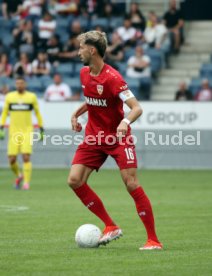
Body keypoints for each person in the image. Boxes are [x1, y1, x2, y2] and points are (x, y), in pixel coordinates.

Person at [68, 31, 162, 250]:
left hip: (118, 138)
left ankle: (153, 240)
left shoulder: (113, 78)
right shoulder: (84, 74)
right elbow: (91, 100)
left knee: (131, 184)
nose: (78, 51)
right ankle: (110, 225)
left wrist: (125, 123)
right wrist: (76, 114)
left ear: (92, 50)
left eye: (81, 47)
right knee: (74, 180)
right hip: (94, 137)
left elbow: (137, 108)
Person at [0, 77, 44, 190]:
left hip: (27, 131)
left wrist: (41, 129)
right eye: (17, 83)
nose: (19, 85)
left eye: (21, 83)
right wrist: (1, 127)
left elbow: (38, 113)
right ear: (15, 84)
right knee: (12, 159)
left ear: (25, 84)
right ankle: (19, 176)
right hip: (13, 132)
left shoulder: (31, 97)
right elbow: (4, 113)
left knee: (25, 157)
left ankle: (26, 183)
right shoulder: (10, 97)